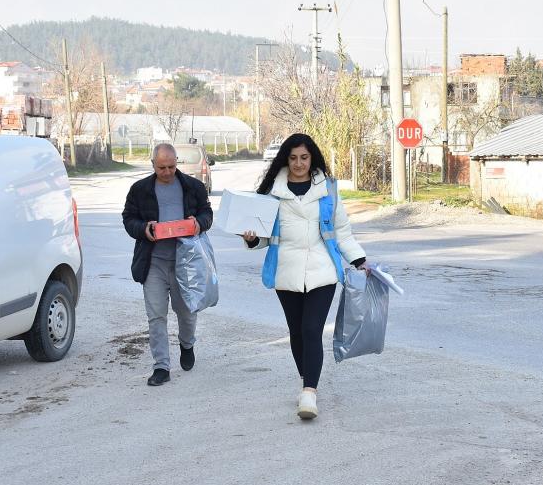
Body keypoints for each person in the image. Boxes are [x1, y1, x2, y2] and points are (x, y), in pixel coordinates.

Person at [242, 134, 368, 420]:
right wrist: (251, 239)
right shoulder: (270, 192)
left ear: (313, 159)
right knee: (297, 332)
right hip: (286, 271)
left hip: (322, 271)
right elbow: (263, 235)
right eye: (293, 158)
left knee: (312, 330)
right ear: (285, 159)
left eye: (304, 157)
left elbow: (342, 232)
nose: (299, 163)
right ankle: (306, 379)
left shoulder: (328, 190)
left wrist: (359, 259)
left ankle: (309, 392)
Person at [122, 142, 213, 386]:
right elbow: (128, 219)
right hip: (153, 262)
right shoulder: (140, 190)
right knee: (156, 315)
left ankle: (187, 344)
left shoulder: (192, 187)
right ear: (153, 165)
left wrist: (198, 224)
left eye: (172, 166)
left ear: (177, 164)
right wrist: (144, 229)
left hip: (186, 263)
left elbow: (207, 214)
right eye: (162, 167)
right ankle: (161, 366)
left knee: (186, 311)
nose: (167, 172)